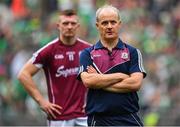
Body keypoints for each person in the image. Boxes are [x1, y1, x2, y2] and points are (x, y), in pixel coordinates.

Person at [18, 9, 91, 126]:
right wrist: (41, 102)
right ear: (58, 26)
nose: (69, 27)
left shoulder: (88, 50)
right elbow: (23, 74)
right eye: (65, 23)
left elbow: (101, 76)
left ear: (78, 26)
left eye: (73, 23)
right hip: (58, 117)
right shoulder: (49, 50)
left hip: (84, 116)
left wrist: (95, 102)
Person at [78, 5, 146, 126]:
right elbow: (88, 81)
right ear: (97, 25)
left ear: (119, 24)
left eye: (113, 22)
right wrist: (121, 76)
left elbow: (135, 83)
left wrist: (99, 81)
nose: (109, 26)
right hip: (99, 119)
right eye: (104, 23)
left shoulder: (133, 52)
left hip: (128, 117)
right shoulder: (87, 53)